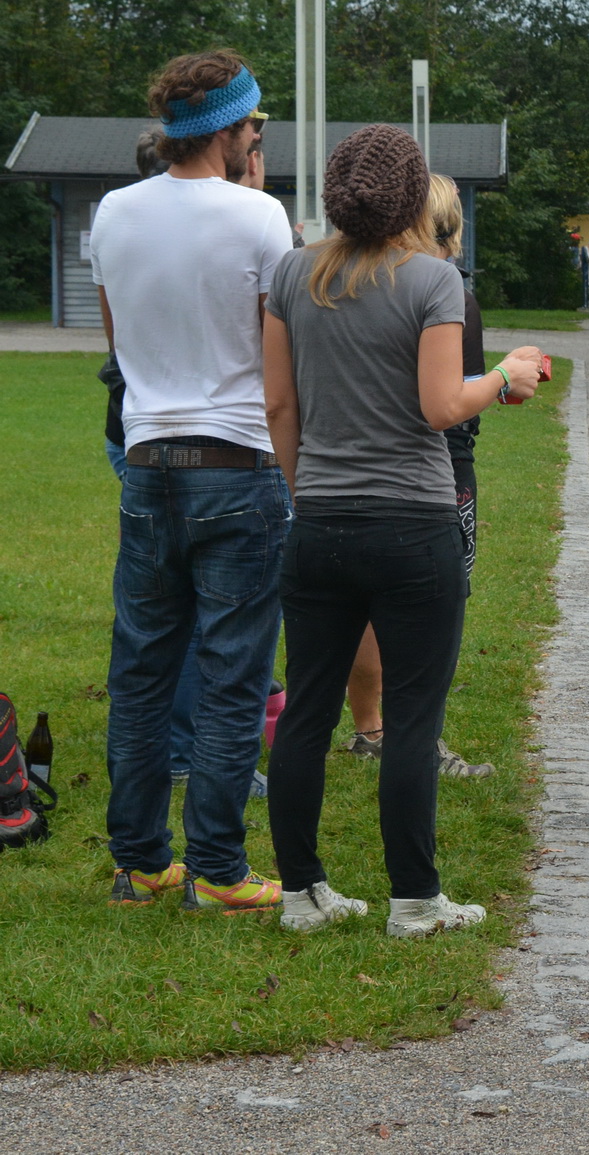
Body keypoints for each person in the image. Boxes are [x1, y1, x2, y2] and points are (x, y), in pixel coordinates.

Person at [262, 125, 543, 936]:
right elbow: (440, 406)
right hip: (413, 524)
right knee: (414, 717)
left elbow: (280, 406)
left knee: (308, 708)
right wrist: (505, 375)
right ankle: (415, 899)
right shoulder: (433, 279)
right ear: (414, 194)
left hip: (318, 522)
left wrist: (304, 489)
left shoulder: (292, 272)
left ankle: (301, 891)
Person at [92, 50, 292, 912]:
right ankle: (217, 867)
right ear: (231, 130)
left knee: (141, 671)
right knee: (232, 672)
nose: (257, 139)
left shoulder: (111, 210)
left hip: (145, 463)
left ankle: (139, 860)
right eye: (254, 125)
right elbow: (276, 355)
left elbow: (118, 342)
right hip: (237, 461)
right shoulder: (259, 218)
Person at [339, 174, 496, 778]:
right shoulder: (448, 293)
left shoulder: (349, 284)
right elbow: (452, 408)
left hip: (347, 476)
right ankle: (421, 742)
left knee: (360, 609)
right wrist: (504, 379)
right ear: (446, 224)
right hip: (436, 479)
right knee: (435, 609)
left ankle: (369, 729)